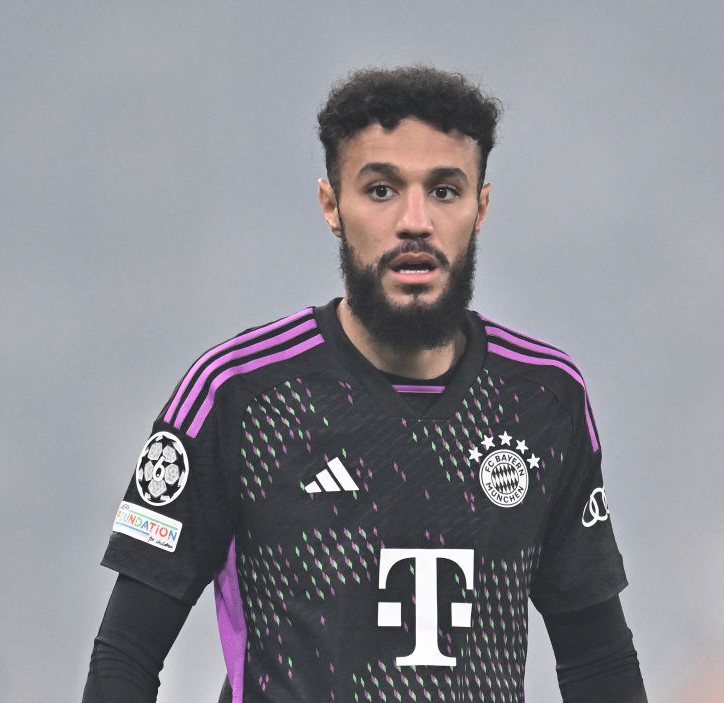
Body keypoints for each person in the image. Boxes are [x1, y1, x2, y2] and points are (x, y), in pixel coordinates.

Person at [83, 65, 646, 702]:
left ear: (481, 207)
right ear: (332, 205)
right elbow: (126, 656)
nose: (414, 221)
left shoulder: (545, 399)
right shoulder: (237, 394)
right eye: (381, 190)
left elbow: (598, 661)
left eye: (444, 191)